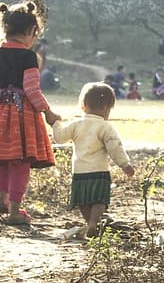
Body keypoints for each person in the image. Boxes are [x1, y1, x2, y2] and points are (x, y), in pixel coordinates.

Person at [0, 1, 60, 227]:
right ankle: (15, 210)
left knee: (4, 160)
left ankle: (3, 200)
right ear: (30, 32)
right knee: (21, 161)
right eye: (34, 35)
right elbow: (31, 89)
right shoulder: (29, 57)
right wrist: (48, 112)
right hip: (23, 114)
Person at [51, 82, 135, 239]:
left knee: (83, 200)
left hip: (80, 172)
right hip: (99, 171)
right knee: (99, 200)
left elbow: (59, 138)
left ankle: (89, 222)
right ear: (106, 109)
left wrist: (55, 123)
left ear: (83, 106)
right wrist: (125, 165)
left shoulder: (76, 124)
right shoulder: (105, 127)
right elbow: (115, 148)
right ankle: (93, 223)